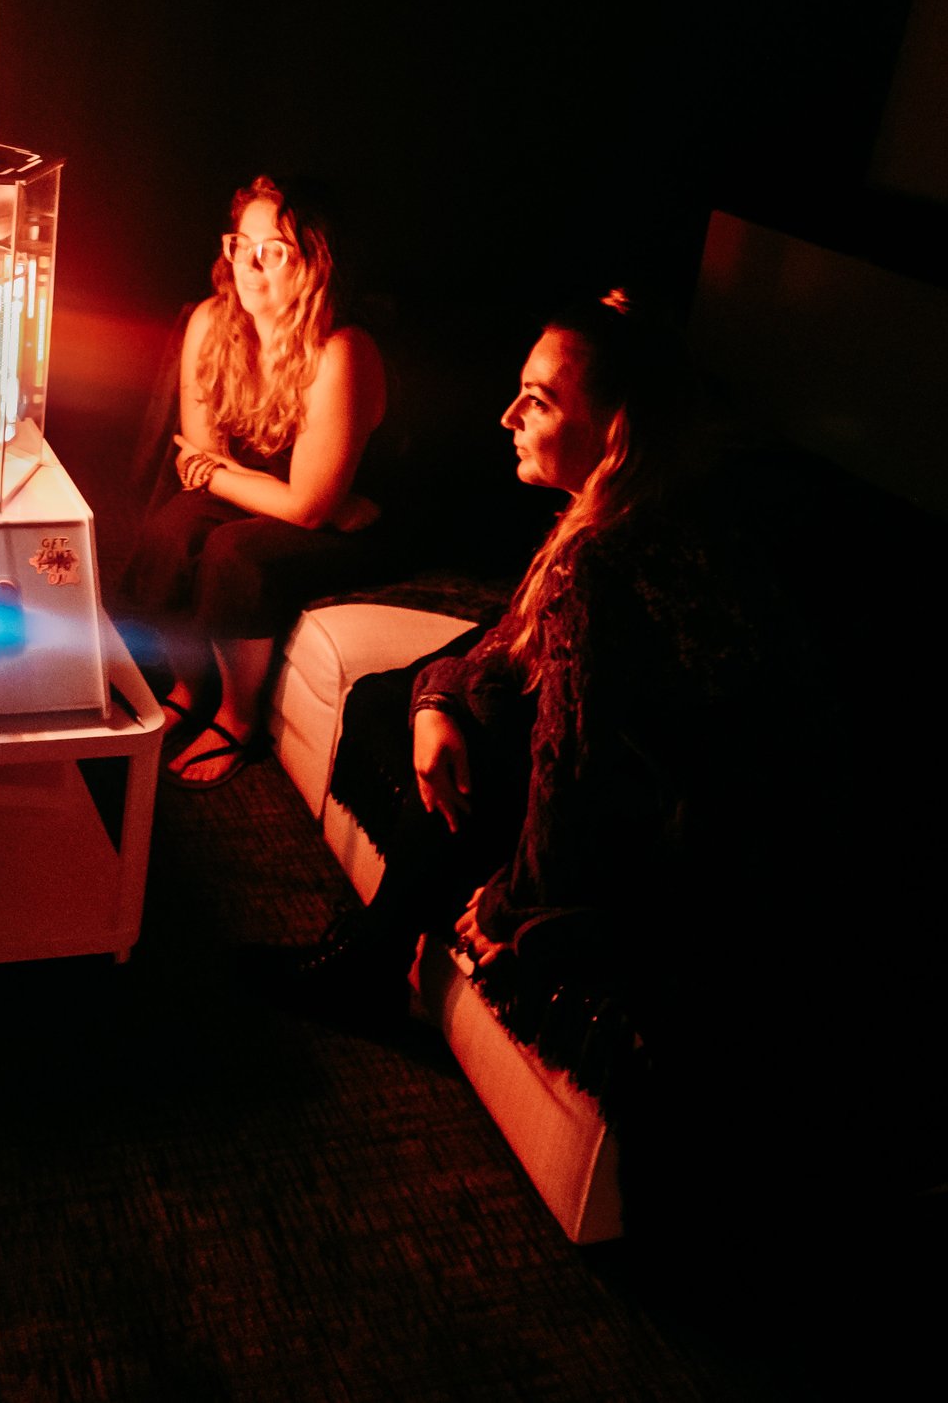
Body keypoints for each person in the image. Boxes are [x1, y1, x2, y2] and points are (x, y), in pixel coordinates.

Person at [261, 291, 787, 1069]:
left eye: (538, 401)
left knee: (451, 729)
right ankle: (373, 945)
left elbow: (574, 770)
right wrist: (435, 701)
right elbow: (510, 636)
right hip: (651, 799)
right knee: (409, 699)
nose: (507, 416)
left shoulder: (609, 556)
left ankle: (368, 960)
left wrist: (512, 905)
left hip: (665, 849)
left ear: (615, 428)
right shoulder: (633, 505)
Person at [123, 175, 391, 786]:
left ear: (315, 263)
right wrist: (251, 484)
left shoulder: (341, 351)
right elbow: (197, 461)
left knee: (234, 553)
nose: (248, 263)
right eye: (241, 244)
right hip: (294, 497)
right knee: (174, 528)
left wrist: (236, 480)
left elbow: (307, 509)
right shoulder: (211, 322)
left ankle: (237, 720)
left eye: (273, 250)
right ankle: (187, 689)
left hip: (355, 526)